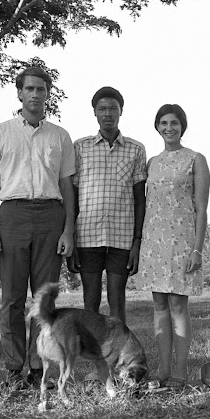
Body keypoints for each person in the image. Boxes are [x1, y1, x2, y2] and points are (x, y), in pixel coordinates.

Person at [0, 67, 75, 390]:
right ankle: (13, 367)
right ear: (19, 93)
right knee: (12, 298)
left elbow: (67, 185)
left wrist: (68, 231)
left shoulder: (60, 136)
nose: (35, 94)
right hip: (13, 216)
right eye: (30, 89)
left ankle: (38, 367)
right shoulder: (0, 133)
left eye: (41, 89)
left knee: (44, 299)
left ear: (48, 95)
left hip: (51, 216)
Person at [137, 104, 210, 389]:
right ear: (157, 126)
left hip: (182, 241)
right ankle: (163, 368)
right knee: (158, 305)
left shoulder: (196, 160)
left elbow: (201, 210)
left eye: (175, 123)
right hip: (154, 240)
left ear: (183, 126)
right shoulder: (152, 162)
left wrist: (197, 249)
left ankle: (180, 371)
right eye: (164, 123)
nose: (169, 128)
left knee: (178, 304)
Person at [67, 86, 147, 326]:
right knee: (90, 302)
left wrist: (136, 242)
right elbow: (72, 192)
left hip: (121, 237)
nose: (107, 113)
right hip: (87, 236)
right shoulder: (80, 147)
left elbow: (139, 197)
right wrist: (70, 237)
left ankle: (119, 355)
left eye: (113, 108)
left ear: (121, 111)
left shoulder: (136, 149)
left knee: (117, 301)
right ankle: (95, 355)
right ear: (94, 112)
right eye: (102, 109)